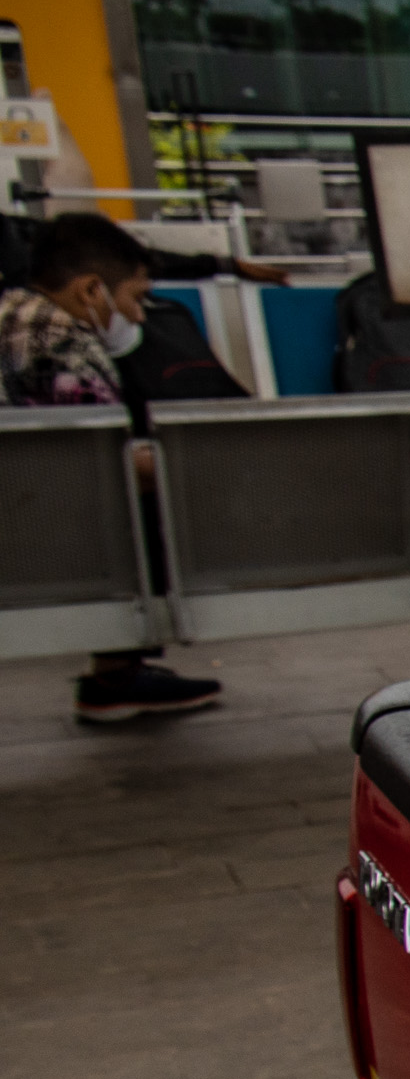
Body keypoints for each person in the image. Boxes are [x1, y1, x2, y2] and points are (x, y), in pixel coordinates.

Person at [2, 214, 225, 724]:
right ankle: (117, 672)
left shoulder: (14, 311)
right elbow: (102, 466)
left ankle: (116, 672)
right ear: (90, 290)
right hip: (36, 539)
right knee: (156, 488)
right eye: (135, 298)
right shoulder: (61, 340)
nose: (139, 316)